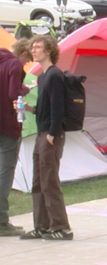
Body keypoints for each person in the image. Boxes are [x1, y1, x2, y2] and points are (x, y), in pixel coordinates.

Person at [18, 36, 73, 240]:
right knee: (38, 182)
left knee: (49, 181)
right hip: (41, 133)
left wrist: (52, 133)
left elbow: (58, 108)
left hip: (50, 135)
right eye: (32, 47)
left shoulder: (55, 76)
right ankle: (42, 225)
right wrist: (28, 108)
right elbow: (44, 107)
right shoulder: (42, 77)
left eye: (38, 47)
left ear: (48, 50)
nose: (34, 51)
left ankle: (61, 227)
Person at [0, 39, 32, 236]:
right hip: (7, 123)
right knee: (5, 171)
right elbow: (14, 93)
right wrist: (26, 88)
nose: (26, 63)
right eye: (27, 60)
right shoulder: (13, 64)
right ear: (23, 53)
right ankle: (1, 221)